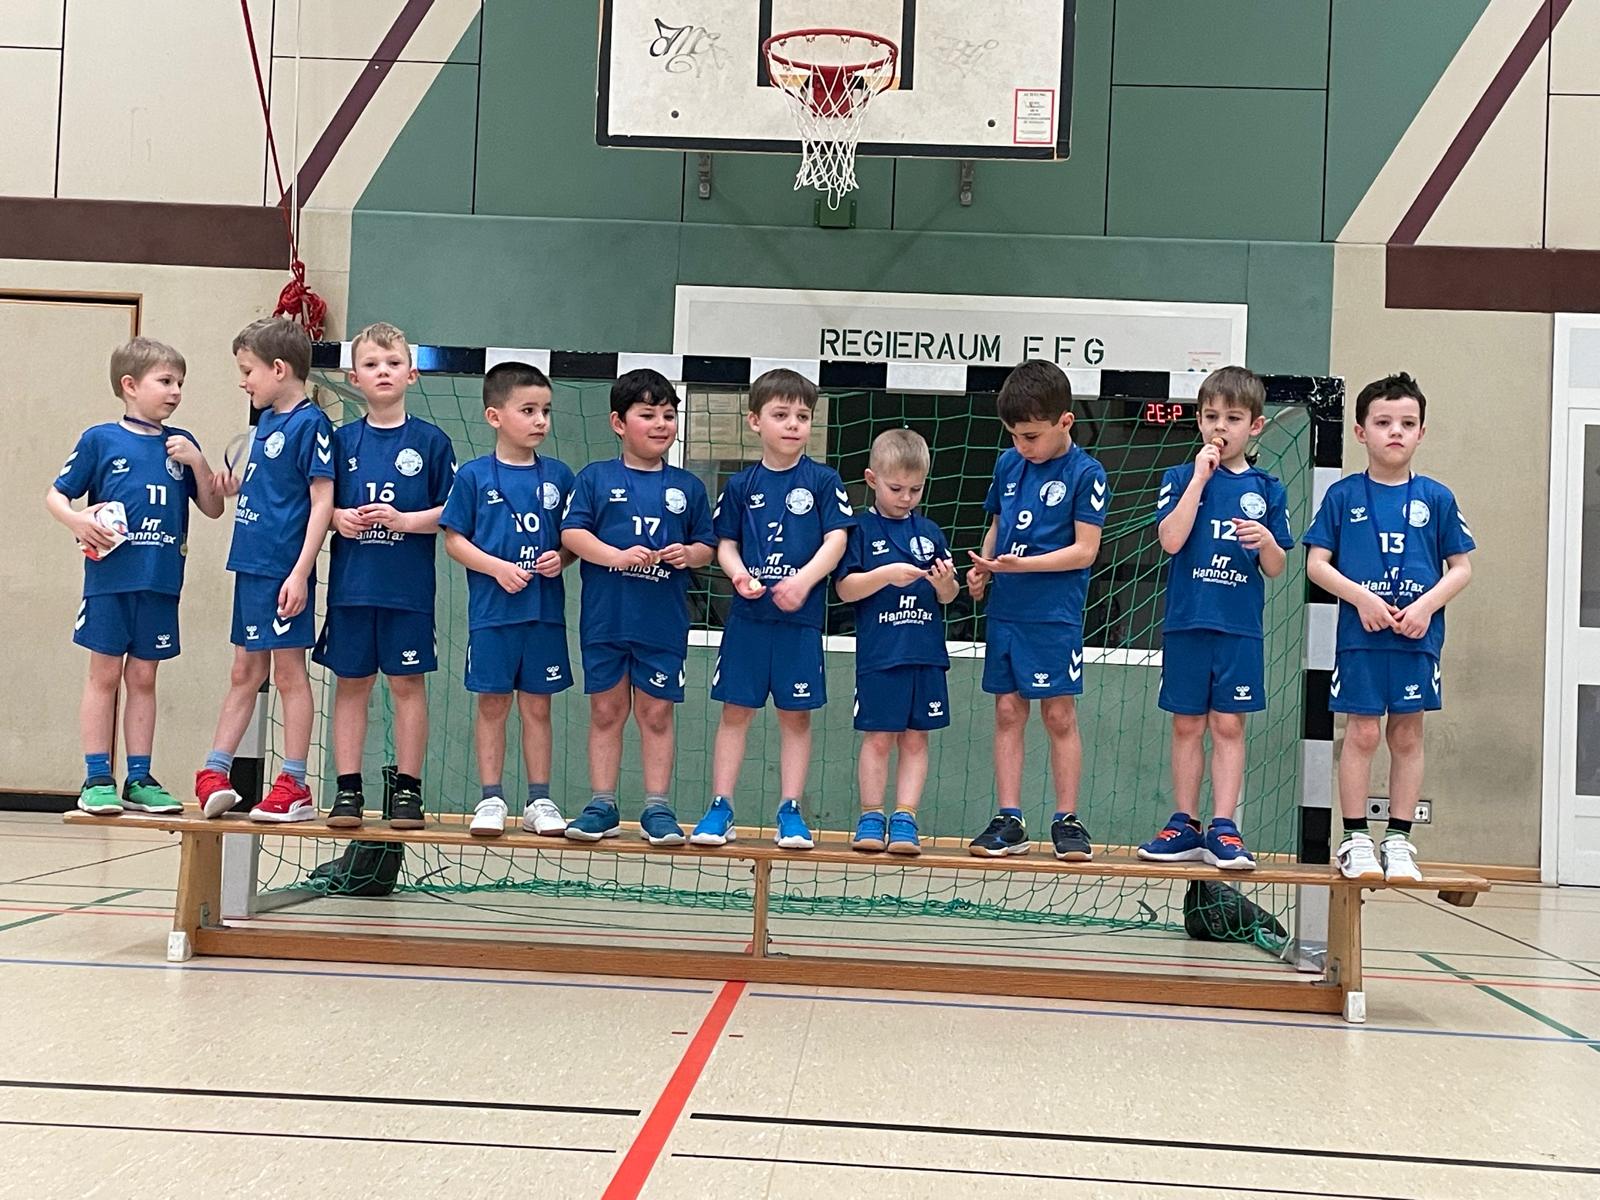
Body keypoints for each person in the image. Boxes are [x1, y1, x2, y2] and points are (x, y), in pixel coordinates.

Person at [1304, 372, 1474, 882]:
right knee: (1360, 733)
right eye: (1383, 422)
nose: (1395, 432)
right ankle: (1355, 838)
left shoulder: (1437, 498)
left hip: (1417, 639)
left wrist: (1425, 607)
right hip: (1360, 639)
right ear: (1361, 432)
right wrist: (1360, 598)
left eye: (1407, 423)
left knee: (1407, 734)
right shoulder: (1342, 495)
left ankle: (1399, 840)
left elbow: (1461, 568)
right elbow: (1316, 564)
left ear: (1421, 432)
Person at [48, 337, 224, 814]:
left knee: (144, 677)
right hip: (111, 581)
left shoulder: (182, 444)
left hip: (161, 581)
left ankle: (140, 778)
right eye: (165, 381)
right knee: (104, 674)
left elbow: (213, 508)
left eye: (180, 383)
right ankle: (97, 777)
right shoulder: (100, 440)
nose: (176, 391)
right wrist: (78, 521)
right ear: (130, 385)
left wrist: (198, 462)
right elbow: (56, 495)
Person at [1136, 366, 1294, 870]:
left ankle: (1224, 826)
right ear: (1199, 421)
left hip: (1238, 628)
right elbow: (1170, 540)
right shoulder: (1179, 478)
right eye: (1210, 416)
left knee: (1228, 724)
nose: (1219, 427)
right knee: (1186, 724)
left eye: (1232, 417)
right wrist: (1199, 479)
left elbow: (1276, 566)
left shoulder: (1268, 489)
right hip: (1187, 623)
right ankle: (1184, 822)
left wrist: (1266, 542)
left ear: (1255, 426)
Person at [689, 368, 854, 851]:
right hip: (749, 621)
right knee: (735, 712)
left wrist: (803, 581)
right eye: (781, 415)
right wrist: (739, 574)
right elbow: (725, 543)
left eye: (802, 416)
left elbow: (837, 540)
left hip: (799, 622)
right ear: (755, 420)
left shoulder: (823, 480)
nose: (793, 424)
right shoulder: (741, 484)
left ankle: (791, 811)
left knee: (795, 717)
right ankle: (721, 807)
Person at [560, 369, 716, 845]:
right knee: (606, 710)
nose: (661, 424)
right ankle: (602, 804)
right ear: (618, 423)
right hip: (606, 619)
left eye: (668, 415)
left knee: (656, 713)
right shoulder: (594, 478)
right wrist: (615, 555)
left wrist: (688, 554)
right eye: (648, 415)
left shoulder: (688, 487)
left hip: (662, 623)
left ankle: (657, 808)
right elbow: (572, 533)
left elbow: (706, 546)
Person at [965, 359, 1108, 861]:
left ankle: (1067, 819)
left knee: (1059, 714)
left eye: (1030, 436)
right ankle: (1010, 819)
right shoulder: (1008, 464)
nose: (1021, 445)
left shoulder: (1086, 473)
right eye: (1013, 435)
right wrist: (985, 569)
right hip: (1007, 610)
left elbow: (1085, 551)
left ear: (1065, 422)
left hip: (1053, 614)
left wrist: (1021, 566)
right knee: (1007, 709)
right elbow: (997, 527)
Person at [315, 323, 455, 830]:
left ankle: (408, 789)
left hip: (407, 592)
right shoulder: (339, 441)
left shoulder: (432, 442)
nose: (383, 372)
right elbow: (318, 505)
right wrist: (337, 518)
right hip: (352, 589)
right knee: (351, 686)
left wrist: (405, 521)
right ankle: (348, 790)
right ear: (354, 377)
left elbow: (452, 512)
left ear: (411, 374)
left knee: (407, 685)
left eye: (393, 363)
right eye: (371, 364)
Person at [196, 318, 333, 823]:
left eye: (247, 370)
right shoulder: (266, 424)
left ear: (279, 369)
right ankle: (215, 772)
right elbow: (274, 488)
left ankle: (294, 782)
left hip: (282, 569)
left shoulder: (311, 424)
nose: (242, 381)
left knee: (289, 672)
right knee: (245, 670)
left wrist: (300, 573)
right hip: (250, 565)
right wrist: (237, 486)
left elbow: (321, 502)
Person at [440, 362, 576, 838]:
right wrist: (497, 568)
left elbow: (572, 539)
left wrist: (562, 558)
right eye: (528, 410)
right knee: (493, 705)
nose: (540, 420)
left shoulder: (559, 476)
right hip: (492, 615)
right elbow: (454, 540)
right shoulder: (474, 476)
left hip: (544, 615)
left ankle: (540, 800)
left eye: (546, 411)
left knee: (538, 707)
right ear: (495, 416)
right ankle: (491, 798)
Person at [834, 429, 958, 856]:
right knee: (879, 738)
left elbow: (949, 596)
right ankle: (871, 815)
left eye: (915, 489)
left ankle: (905, 817)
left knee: (916, 737)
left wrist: (944, 584)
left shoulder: (931, 531)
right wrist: (886, 575)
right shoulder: (859, 530)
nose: (906, 497)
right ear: (872, 479)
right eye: (896, 488)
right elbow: (845, 589)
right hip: (881, 655)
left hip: (925, 652)